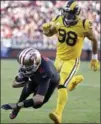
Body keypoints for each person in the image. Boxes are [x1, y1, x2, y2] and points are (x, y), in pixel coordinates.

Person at [42, 0, 100, 123]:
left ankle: (58, 113)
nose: (66, 16)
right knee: (51, 82)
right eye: (65, 13)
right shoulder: (58, 19)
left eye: (69, 14)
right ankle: (74, 80)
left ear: (76, 14)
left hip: (71, 61)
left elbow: (95, 40)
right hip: (58, 58)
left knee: (61, 84)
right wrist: (46, 30)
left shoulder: (84, 25)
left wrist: (94, 58)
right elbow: (49, 33)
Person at [1, 47, 60, 120]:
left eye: (27, 65)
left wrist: (16, 105)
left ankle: (17, 107)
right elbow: (14, 85)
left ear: (36, 63)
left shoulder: (46, 71)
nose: (24, 67)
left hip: (50, 81)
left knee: (36, 105)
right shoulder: (32, 59)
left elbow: (39, 99)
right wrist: (20, 78)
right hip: (38, 74)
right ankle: (16, 110)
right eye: (23, 65)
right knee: (26, 90)